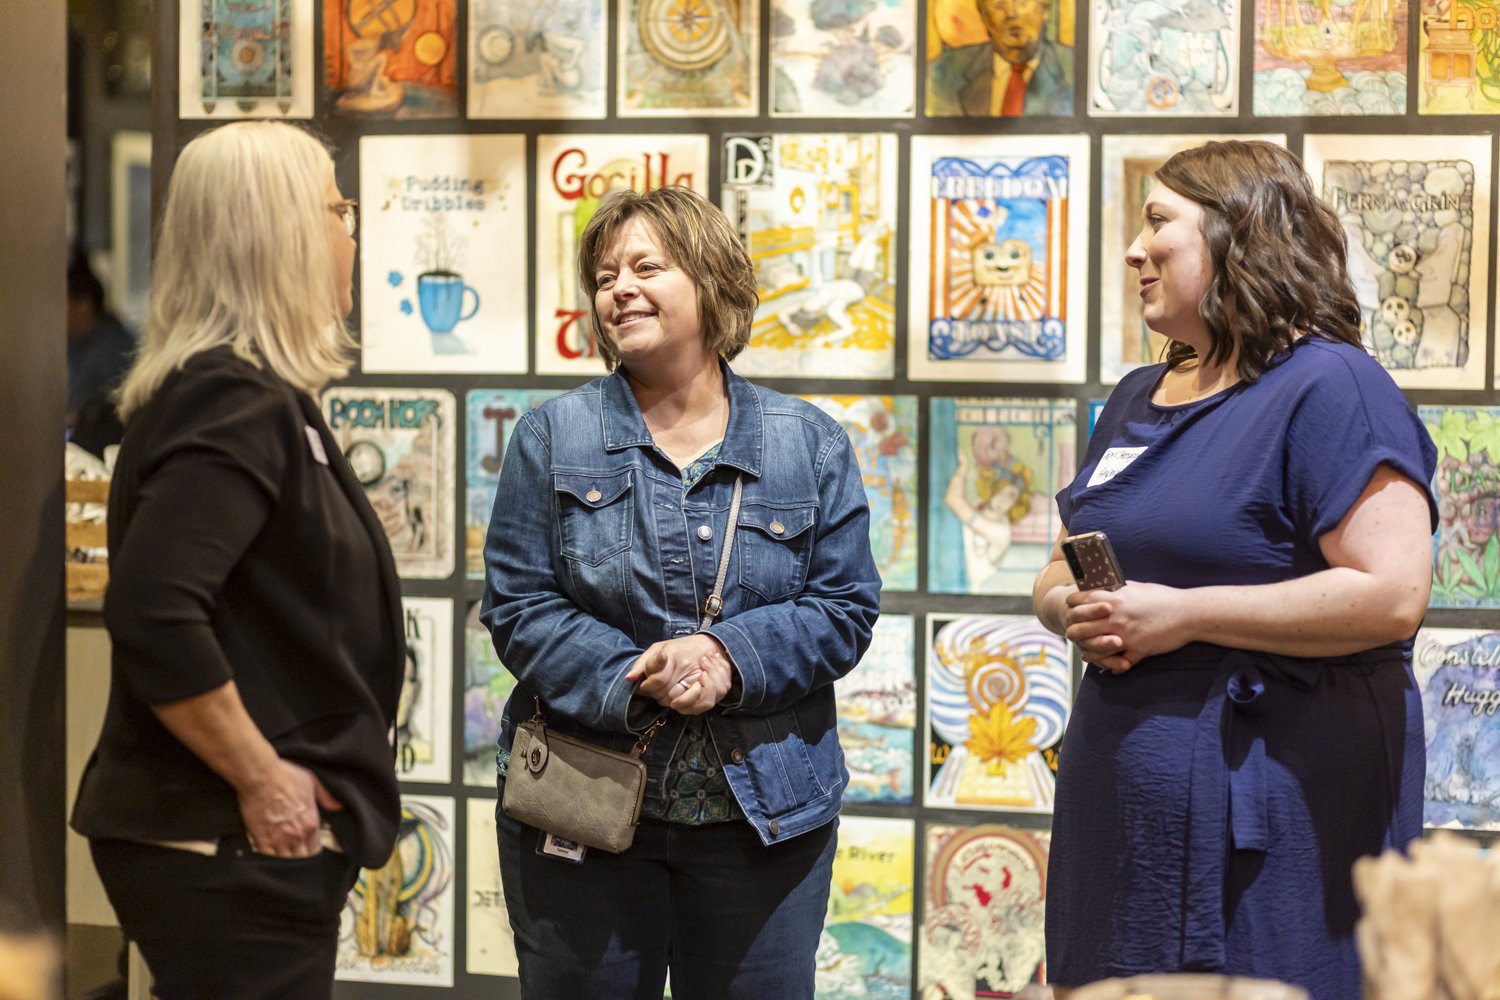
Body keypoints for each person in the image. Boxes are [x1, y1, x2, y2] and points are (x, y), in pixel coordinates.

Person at [1033, 140, 1436, 999]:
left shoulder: (1333, 385)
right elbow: (1056, 568)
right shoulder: (1139, 396)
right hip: (1123, 813)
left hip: (1278, 813)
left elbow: (1392, 594)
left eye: (1158, 223)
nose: (1135, 250)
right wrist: (1069, 607)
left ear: (1238, 234)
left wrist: (1183, 615)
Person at [482, 185, 881, 999]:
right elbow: (519, 606)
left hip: (765, 823)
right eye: (603, 276)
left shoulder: (809, 444)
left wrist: (725, 658)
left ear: (711, 281)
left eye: (645, 267)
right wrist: (635, 677)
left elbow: (844, 608)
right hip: (581, 815)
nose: (617, 289)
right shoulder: (550, 438)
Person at [70, 121, 406, 1000]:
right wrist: (265, 780)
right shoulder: (232, 397)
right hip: (232, 846)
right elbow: (153, 611)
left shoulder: (255, 397)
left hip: (241, 849)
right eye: (339, 209)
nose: (352, 233)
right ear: (282, 234)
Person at [927, 0, 1074, 117]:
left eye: (1022, 2)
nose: (1011, 13)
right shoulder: (944, 72)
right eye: (999, 5)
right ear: (985, 18)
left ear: (1045, 9)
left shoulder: (1076, 69)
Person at [66, 251, 135, 457]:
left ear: (84, 306)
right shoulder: (71, 343)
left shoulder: (113, 345)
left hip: (104, 448)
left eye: (64, 303)